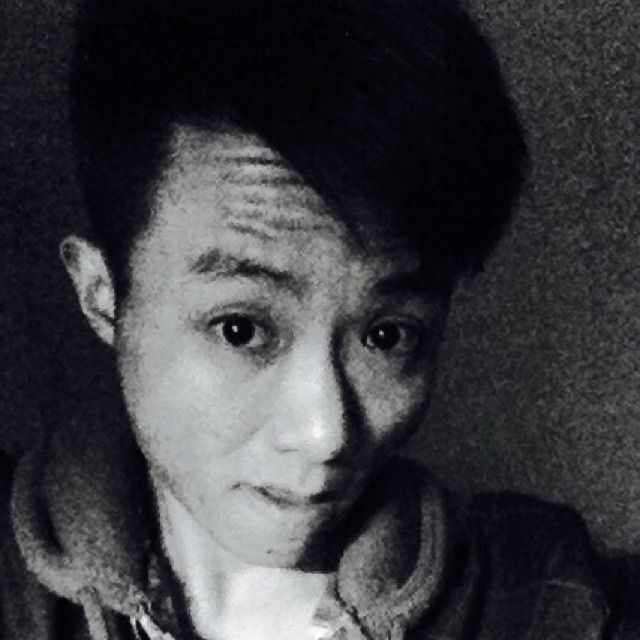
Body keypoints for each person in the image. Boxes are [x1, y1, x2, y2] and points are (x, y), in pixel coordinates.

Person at [0, 0, 618, 638]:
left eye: (386, 336)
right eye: (241, 329)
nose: (325, 433)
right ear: (102, 294)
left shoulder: (551, 600)